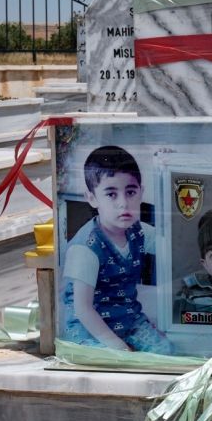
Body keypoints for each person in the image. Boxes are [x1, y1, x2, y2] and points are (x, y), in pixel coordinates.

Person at [62, 145, 173, 354]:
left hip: (129, 318)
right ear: (92, 198)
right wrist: (119, 347)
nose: (124, 203)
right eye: (111, 194)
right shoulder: (85, 248)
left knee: (165, 352)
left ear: (141, 192)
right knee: (113, 366)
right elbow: (83, 309)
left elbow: (172, 248)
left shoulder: (139, 232)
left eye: (130, 192)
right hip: (89, 328)